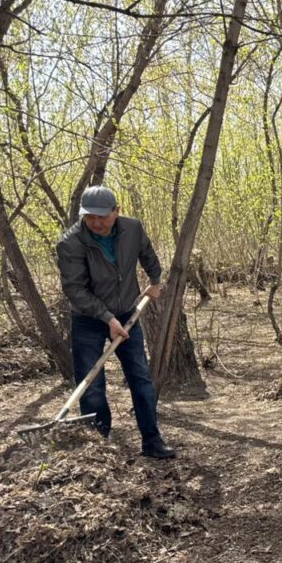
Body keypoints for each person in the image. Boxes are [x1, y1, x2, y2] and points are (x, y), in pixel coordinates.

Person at [56, 186, 176, 459]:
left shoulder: (132, 229)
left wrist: (155, 280)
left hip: (126, 313)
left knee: (140, 377)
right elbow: (75, 290)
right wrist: (106, 317)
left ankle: (152, 441)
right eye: (90, 217)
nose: (96, 223)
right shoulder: (70, 243)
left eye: (102, 217)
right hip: (88, 319)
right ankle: (100, 448)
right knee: (92, 383)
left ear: (116, 211)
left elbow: (147, 253)